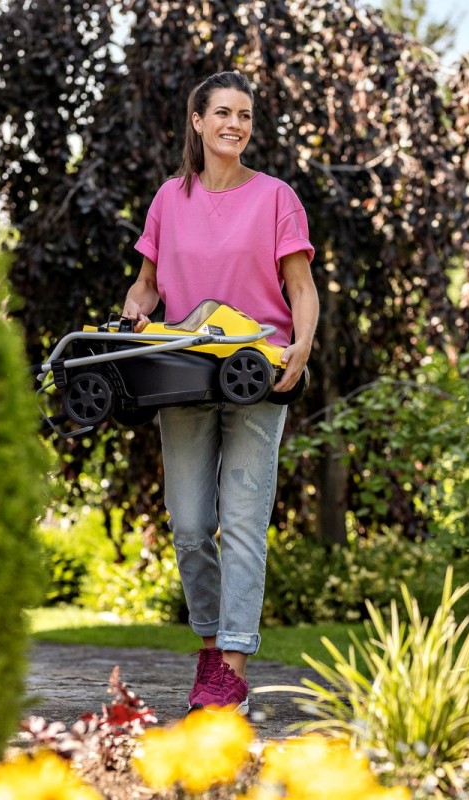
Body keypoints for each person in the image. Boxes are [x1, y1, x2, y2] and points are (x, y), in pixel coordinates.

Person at [121, 70, 319, 715]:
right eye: (224, 113)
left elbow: (301, 287)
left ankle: (231, 665)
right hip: (182, 370)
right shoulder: (168, 199)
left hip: (256, 371)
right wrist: (133, 313)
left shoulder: (276, 198)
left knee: (241, 521)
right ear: (198, 121)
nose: (235, 124)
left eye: (245, 115)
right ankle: (209, 645)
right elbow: (147, 285)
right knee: (189, 524)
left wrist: (302, 346)